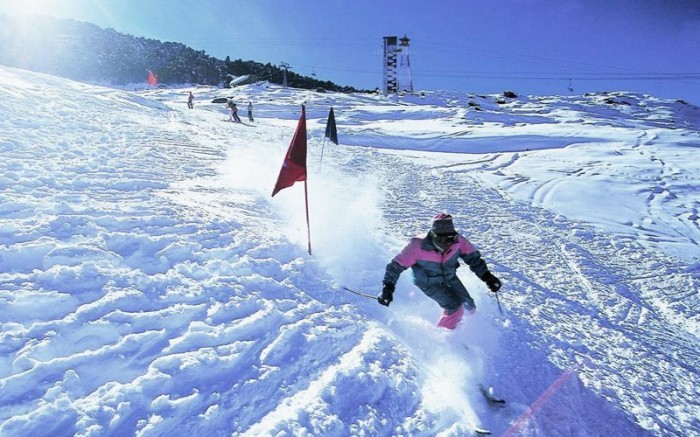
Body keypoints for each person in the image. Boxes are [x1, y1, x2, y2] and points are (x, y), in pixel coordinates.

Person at [378, 213, 502, 329]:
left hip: (449, 277)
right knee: (455, 306)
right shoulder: (417, 246)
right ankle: (444, 337)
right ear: (433, 235)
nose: (447, 243)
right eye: (441, 239)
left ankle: (463, 333)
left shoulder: (458, 241)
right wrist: (387, 289)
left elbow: (474, 259)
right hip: (428, 282)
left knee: (469, 306)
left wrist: (488, 277)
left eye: (450, 239)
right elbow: (395, 266)